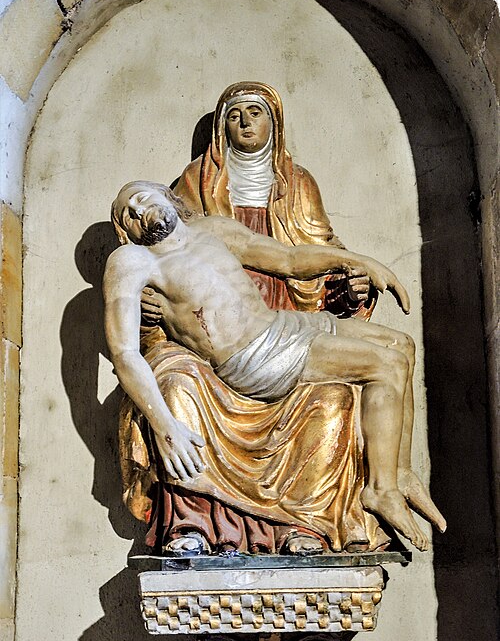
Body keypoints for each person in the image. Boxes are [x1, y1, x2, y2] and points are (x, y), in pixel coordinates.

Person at [106, 181, 447, 552]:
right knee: (387, 364)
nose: (138, 212)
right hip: (256, 357)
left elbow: (289, 260)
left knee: (401, 344)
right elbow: (125, 353)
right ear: (127, 233)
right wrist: (165, 426)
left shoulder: (211, 229)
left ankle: (400, 472)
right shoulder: (133, 261)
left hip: (284, 326)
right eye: (128, 216)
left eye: (141, 198)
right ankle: (381, 490)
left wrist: (358, 262)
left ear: (167, 195)